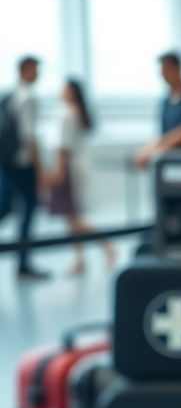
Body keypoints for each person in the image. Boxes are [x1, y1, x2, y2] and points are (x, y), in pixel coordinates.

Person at [49, 79, 115, 273]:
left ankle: (107, 246)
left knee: (74, 217)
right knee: (70, 218)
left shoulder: (67, 113)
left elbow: (63, 147)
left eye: (64, 88)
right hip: (74, 165)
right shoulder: (76, 112)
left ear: (71, 92)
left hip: (67, 167)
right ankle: (80, 259)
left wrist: (58, 171)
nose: (59, 90)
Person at [0, 56, 48, 278]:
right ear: (25, 69)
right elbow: (30, 137)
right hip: (21, 163)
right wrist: (39, 169)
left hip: (6, 161)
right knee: (28, 210)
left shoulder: (10, 95)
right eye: (36, 69)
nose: (38, 74)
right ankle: (23, 264)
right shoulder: (27, 97)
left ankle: (23, 262)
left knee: (6, 207)